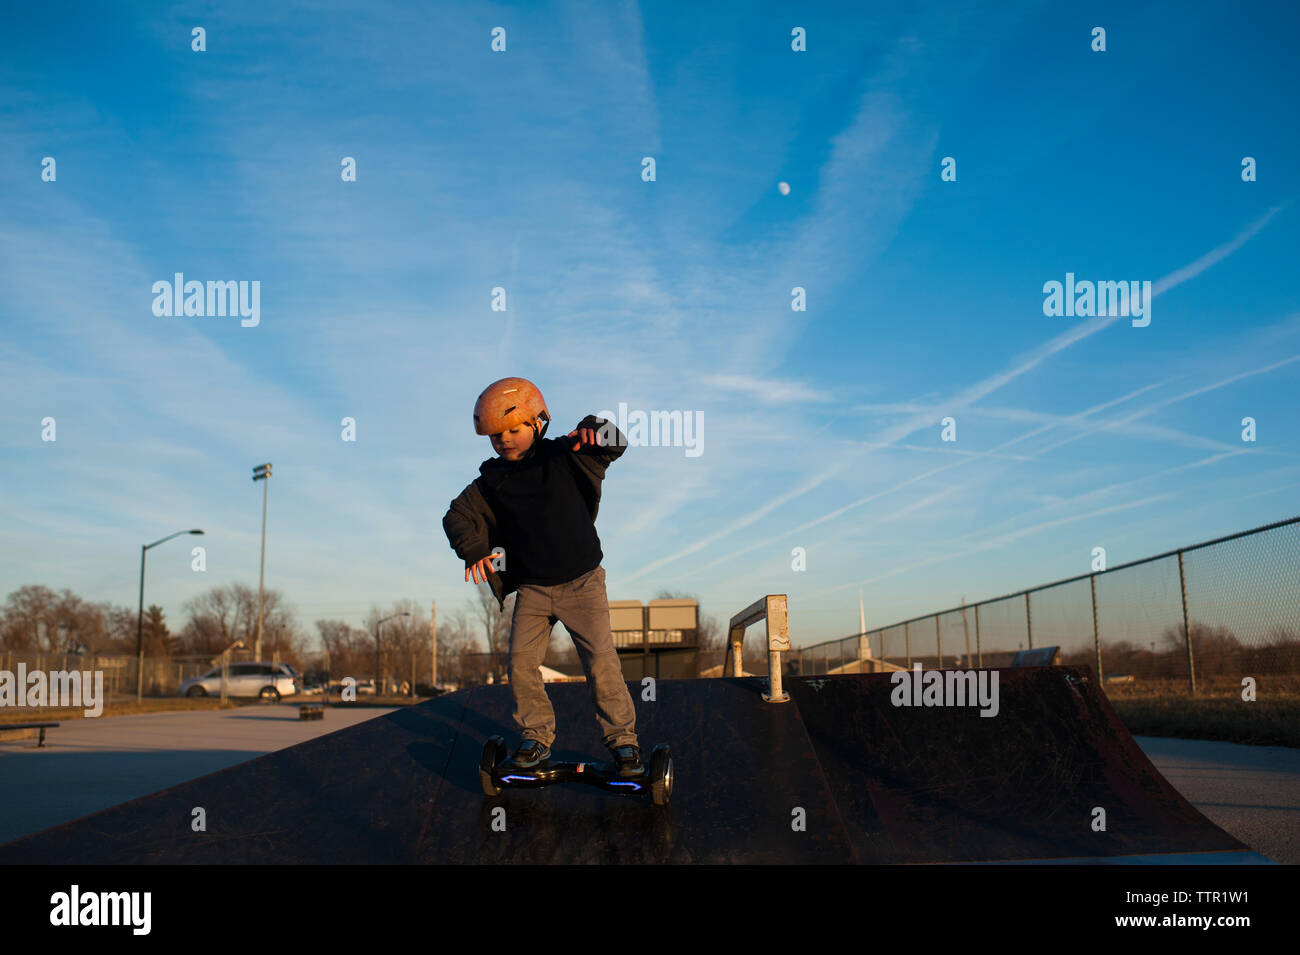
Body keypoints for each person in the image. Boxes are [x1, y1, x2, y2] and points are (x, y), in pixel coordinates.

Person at [442, 377, 642, 774]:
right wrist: (475, 550)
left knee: (601, 663)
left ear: (538, 422)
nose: (505, 440)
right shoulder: (490, 482)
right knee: (520, 663)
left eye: (514, 430)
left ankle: (623, 742)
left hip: (583, 582)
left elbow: (616, 442)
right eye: (496, 435)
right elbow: (457, 515)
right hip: (533, 589)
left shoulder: (566, 455)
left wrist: (596, 429)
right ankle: (536, 737)